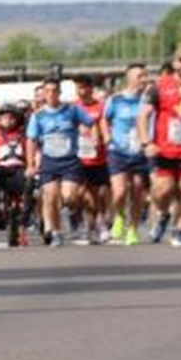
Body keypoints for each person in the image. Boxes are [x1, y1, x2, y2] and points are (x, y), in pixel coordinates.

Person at [138, 46, 181, 246]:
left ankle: (179, 229)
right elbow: (143, 116)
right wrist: (146, 142)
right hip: (164, 150)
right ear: (174, 63)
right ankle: (162, 214)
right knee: (162, 190)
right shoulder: (159, 86)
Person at [25, 79, 91, 247]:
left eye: (55, 90)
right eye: (48, 91)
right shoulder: (38, 116)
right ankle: (54, 231)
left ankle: (71, 213)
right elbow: (31, 140)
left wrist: (88, 132)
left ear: (60, 92)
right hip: (49, 160)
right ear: (44, 94)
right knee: (50, 197)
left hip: (69, 160)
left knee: (69, 197)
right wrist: (31, 164)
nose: (51, 94)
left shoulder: (72, 110)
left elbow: (90, 122)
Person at [102, 63, 151, 245]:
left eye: (145, 76)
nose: (144, 80)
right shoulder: (115, 100)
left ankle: (133, 228)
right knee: (120, 192)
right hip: (119, 151)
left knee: (138, 189)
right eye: (140, 76)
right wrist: (107, 136)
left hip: (139, 152)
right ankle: (120, 216)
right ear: (129, 79)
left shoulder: (148, 99)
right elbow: (104, 119)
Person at [0, 103, 32, 246]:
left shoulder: (23, 134)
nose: (7, 120)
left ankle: (23, 220)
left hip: (18, 167)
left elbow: (30, 151)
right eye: (4, 117)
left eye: (11, 118)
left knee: (28, 186)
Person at [73, 75, 111, 244]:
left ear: (90, 88)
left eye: (83, 87)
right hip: (78, 157)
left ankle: (98, 222)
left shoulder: (100, 106)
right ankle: (81, 220)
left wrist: (105, 137)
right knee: (80, 193)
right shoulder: (73, 107)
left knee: (97, 194)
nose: (80, 91)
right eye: (77, 88)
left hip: (97, 157)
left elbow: (104, 125)